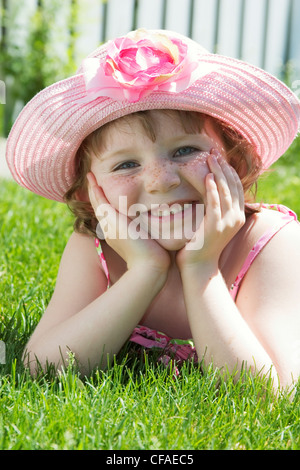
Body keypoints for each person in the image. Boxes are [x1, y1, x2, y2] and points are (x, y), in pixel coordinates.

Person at [6, 28, 300, 391]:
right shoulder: (98, 248)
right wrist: (145, 269)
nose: (161, 181)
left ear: (236, 162)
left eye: (185, 151)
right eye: (126, 164)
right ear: (88, 193)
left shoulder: (270, 242)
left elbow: (266, 395)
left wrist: (200, 266)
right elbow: (43, 369)